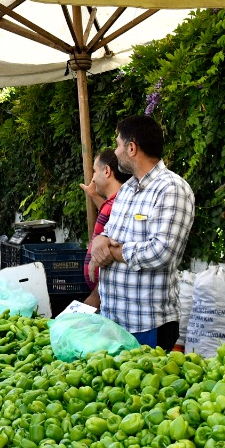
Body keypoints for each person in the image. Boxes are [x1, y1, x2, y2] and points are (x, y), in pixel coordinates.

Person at [87, 115, 195, 350]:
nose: (115, 152)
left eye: (118, 145)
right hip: (115, 321)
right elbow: (109, 233)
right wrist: (100, 242)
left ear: (132, 148)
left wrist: (115, 253)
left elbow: (162, 251)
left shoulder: (172, 189)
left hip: (147, 326)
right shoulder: (126, 190)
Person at [80, 148, 125, 293]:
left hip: (103, 293)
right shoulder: (113, 203)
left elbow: (110, 249)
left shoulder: (120, 203)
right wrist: (93, 195)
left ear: (106, 171)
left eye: (95, 171)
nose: (92, 178)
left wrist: (96, 295)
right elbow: (109, 217)